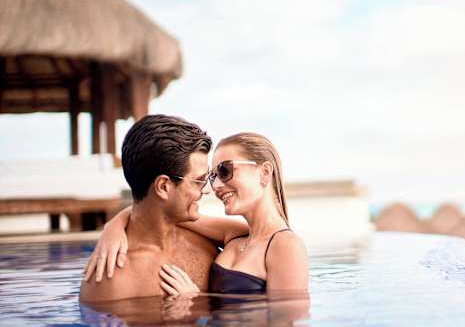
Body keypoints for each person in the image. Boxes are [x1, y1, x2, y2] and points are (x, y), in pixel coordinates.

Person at [86, 131, 309, 296]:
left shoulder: (285, 245)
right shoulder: (235, 235)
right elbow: (157, 210)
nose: (216, 185)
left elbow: (284, 319)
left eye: (225, 170)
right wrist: (114, 226)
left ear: (265, 172)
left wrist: (195, 299)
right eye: (213, 176)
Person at [80, 114, 247, 302]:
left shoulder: (207, 243)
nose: (207, 189)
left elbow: (257, 234)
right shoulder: (110, 281)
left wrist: (116, 222)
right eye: (199, 180)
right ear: (163, 186)